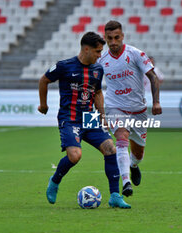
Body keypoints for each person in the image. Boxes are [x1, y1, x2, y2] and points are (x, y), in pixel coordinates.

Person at [38, 32, 130, 208]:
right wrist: (43, 105)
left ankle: (115, 196)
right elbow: (44, 80)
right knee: (75, 156)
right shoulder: (64, 66)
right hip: (70, 118)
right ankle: (55, 181)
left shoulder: (98, 69)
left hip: (90, 117)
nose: (99, 55)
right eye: (97, 51)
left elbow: (96, 92)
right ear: (86, 49)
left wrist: (102, 116)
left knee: (111, 149)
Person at [98, 20, 162, 197]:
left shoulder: (135, 54)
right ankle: (125, 182)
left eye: (116, 37)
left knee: (139, 153)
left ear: (122, 36)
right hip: (115, 107)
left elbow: (153, 77)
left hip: (138, 110)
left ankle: (133, 165)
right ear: (105, 38)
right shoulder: (102, 60)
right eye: (109, 38)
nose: (113, 42)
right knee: (121, 137)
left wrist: (156, 102)